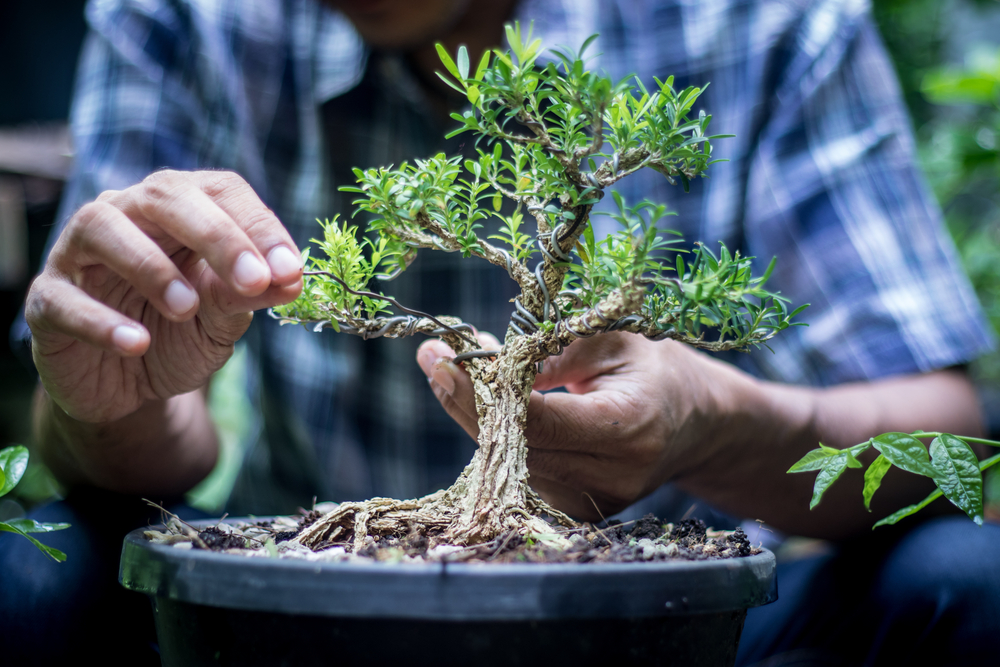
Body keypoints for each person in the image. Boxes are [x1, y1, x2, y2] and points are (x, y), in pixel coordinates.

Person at [4, 0, 1000, 664]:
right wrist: (109, 404)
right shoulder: (185, 16)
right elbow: (135, 444)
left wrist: (721, 423)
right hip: (305, 595)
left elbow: (943, 428)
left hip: (691, 606)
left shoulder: (764, 18)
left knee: (968, 579)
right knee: (27, 576)